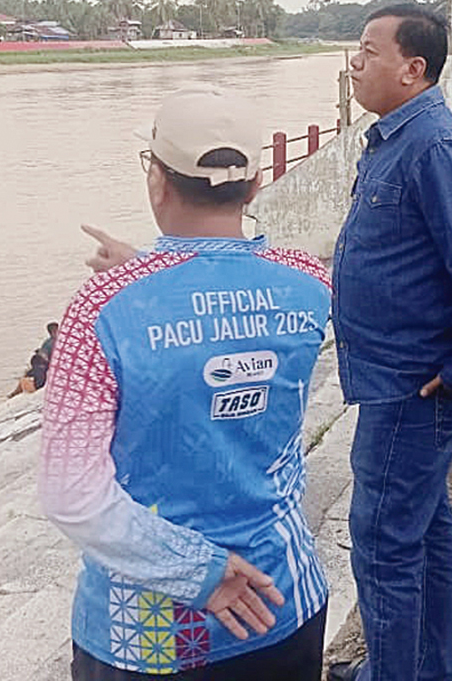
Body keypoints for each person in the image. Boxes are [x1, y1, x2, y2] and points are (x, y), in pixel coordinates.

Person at [39, 87, 334, 680]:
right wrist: (148, 271)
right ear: (254, 186)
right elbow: (224, 300)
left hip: (148, 636)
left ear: (157, 180)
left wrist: (200, 571)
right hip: (285, 602)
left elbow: (72, 495)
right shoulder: (308, 282)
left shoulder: (102, 308)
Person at [326, 4, 452, 681]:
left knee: (383, 539)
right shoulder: (395, 139)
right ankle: (418, 669)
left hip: (412, 384)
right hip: (392, 375)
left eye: (368, 51)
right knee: (423, 530)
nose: (355, 62)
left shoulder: (435, 146)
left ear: (412, 69)